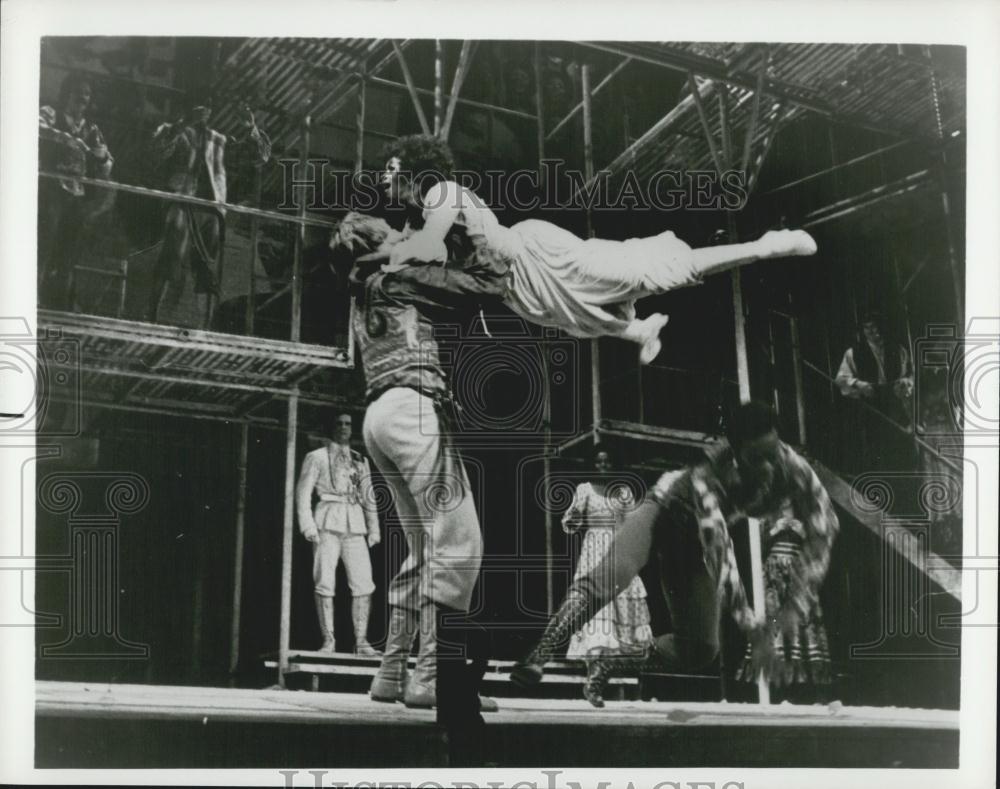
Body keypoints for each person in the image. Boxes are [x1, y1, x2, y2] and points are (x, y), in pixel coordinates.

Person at [353, 134, 818, 364]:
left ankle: (765, 246)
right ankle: (640, 331)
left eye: (390, 168)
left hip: (537, 256)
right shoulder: (414, 217)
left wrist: (382, 261)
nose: (383, 177)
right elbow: (422, 254)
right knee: (581, 322)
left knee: (646, 275)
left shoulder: (440, 193)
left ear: (415, 169)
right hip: (517, 290)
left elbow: (431, 247)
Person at [510, 401, 840, 705]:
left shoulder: (794, 468)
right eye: (757, 459)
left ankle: (609, 661)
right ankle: (541, 651)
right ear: (737, 454)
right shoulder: (708, 476)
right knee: (613, 575)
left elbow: (825, 527)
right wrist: (752, 627)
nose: (768, 467)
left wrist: (796, 603)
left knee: (700, 649)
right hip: (665, 510)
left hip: (693, 542)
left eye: (773, 453)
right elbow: (720, 553)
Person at [336, 221, 500, 728]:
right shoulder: (400, 277)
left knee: (425, 548)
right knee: (459, 543)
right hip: (413, 410)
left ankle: (390, 674)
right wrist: (473, 234)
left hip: (378, 416)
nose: (404, 234)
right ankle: (434, 677)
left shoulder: (361, 288)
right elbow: (486, 284)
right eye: (392, 233)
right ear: (378, 246)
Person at [146, 92, 269, 322]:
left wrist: (250, 126)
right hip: (182, 202)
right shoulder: (174, 130)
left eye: (207, 106)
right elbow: (155, 151)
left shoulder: (219, 140)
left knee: (205, 267)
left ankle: (205, 326)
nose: (203, 109)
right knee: (173, 253)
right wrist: (183, 123)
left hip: (211, 209)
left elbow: (258, 157)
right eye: (198, 104)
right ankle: (152, 316)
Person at [562, 448, 653, 707]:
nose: (603, 465)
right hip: (593, 553)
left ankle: (599, 679)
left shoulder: (623, 491)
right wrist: (575, 520)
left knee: (622, 616)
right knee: (597, 615)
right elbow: (570, 521)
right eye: (598, 461)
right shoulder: (585, 489)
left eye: (608, 461)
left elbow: (634, 524)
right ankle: (594, 679)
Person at [296, 413, 381, 656]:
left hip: (355, 523)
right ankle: (328, 640)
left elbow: (369, 495)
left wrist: (373, 528)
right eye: (339, 423)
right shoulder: (316, 457)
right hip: (327, 520)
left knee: (364, 583)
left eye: (348, 424)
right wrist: (308, 525)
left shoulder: (359, 459)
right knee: (325, 581)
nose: (344, 428)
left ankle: (362, 641)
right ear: (330, 427)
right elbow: (303, 493)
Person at [734, 503, 834, 703]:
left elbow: (820, 543)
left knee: (802, 621)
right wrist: (775, 529)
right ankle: (775, 686)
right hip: (774, 575)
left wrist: (802, 530)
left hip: (798, 573)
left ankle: (804, 686)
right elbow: (755, 547)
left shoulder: (806, 511)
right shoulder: (764, 516)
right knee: (773, 622)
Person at [38, 72, 115, 311]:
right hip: (49, 187)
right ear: (67, 93)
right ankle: (33, 296)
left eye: (87, 94)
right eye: (78, 91)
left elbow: (107, 163)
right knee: (45, 242)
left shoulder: (92, 128)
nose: (82, 97)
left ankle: (60, 303)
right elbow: (36, 128)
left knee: (71, 247)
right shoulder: (50, 113)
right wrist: (68, 139)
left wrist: (102, 158)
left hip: (76, 194)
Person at [835, 310, 914, 469]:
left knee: (901, 446)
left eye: (876, 327)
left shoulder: (898, 349)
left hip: (895, 402)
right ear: (863, 331)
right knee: (877, 448)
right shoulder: (853, 353)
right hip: (871, 403)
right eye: (868, 328)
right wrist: (859, 384)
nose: (873, 331)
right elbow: (841, 379)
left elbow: (910, 374)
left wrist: (907, 381)